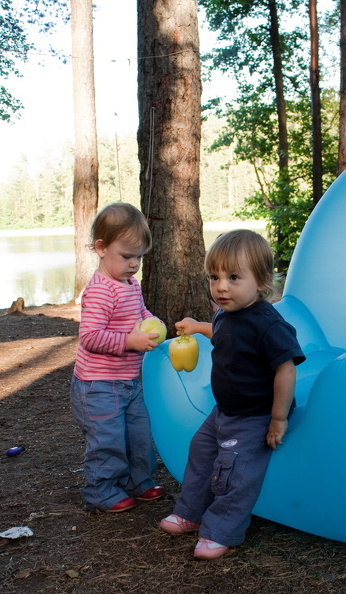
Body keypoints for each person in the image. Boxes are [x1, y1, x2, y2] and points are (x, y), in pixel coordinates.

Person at [159, 229, 305, 559]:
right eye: (215, 276)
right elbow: (223, 336)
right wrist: (198, 326)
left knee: (234, 470)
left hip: (255, 415)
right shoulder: (227, 315)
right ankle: (190, 514)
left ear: (262, 280)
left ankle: (221, 530)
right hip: (224, 411)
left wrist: (278, 418)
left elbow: (286, 368)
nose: (221, 286)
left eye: (234, 277)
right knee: (199, 452)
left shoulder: (268, 324)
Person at [70, 202, 165, 513]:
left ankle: (137, 480)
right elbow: (90, 337)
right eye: (127, 256)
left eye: (138, 257)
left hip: (128, 381)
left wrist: (155, 323)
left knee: (138, 434)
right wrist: (130, 341)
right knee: (107, 440)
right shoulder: (100, 291)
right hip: (98, 385)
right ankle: (101, 489)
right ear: (101, 248)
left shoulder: (130, 284)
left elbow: (140, 314)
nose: (134, 264)